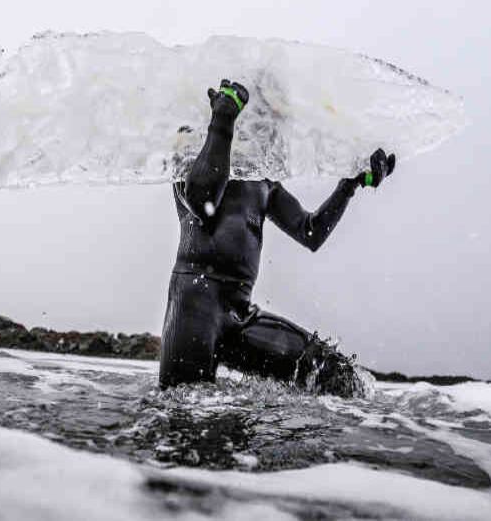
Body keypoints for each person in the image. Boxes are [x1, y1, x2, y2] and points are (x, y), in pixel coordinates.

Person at [159, 79, 395, 397]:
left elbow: (310, 232)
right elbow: (202, 199)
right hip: (194, 305)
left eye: (278, 123)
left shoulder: (265, 182)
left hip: (238, 311)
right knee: (185, 415)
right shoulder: (196, 152)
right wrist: (223, 119)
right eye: (269, 120)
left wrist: (348, 186)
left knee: (337, 376)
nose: (274, 132)